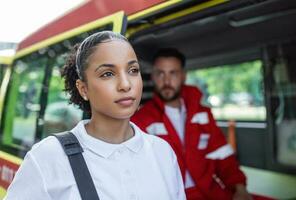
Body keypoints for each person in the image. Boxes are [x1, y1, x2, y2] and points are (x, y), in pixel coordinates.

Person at [4, 32, 186, 200]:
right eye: (108, 74)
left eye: (133, 70)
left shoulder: (163, 153)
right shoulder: (47, 157)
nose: (125, 85)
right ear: (83, 89)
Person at [131, 48, 252, 200]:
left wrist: (239, 188)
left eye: (173, 73)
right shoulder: (140, 119)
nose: (166, 81)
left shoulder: (203, 114)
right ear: (153, 77)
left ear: (183, 76)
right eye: (160, 73)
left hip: (210, 192)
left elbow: (223, 155)